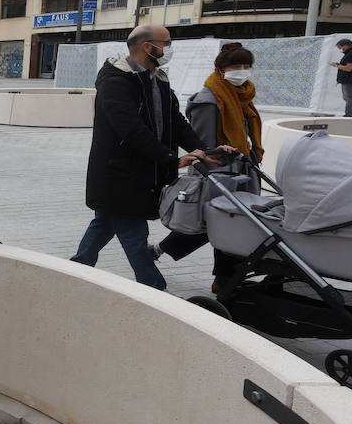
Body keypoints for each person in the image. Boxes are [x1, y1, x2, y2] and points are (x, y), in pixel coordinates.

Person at [71, 25, 215, 290]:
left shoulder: (157, 78)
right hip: (120, 175)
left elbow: (176, 121)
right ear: (148, 47)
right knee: (134, 235)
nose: (170, 48)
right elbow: (130, 129)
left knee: (104, 223)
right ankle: (155, 289)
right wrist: (170, 159)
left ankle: (76, 268)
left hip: (141, 172)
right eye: (167, 42)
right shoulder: (116, 81)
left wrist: (203, 149)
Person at [150, 42, 262, 291]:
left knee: (227, 225)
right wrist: (213, 170)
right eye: (235, 66)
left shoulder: (243, 95)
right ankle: (223, 280)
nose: (242, 71)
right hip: (218, 174)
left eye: (246, 66)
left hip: (242, 171)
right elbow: (202, 145)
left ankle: (160, 251)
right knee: (224, 224)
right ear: (220, 69)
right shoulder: (208, 100)